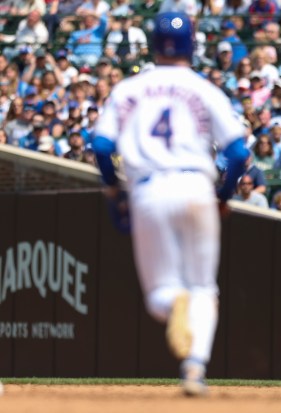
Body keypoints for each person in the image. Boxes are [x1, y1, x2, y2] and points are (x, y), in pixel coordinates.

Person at [92, 12, 249, 397]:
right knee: (204, 289)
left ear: (152, 44)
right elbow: (239, 151)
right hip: (196, 186)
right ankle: (194, 366)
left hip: (148, 190)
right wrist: (223, 196)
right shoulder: (204, 88)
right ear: (191, 44)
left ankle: (174, 304)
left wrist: (113, 189)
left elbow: (101, 145)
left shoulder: (129, 88)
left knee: (162, 295)